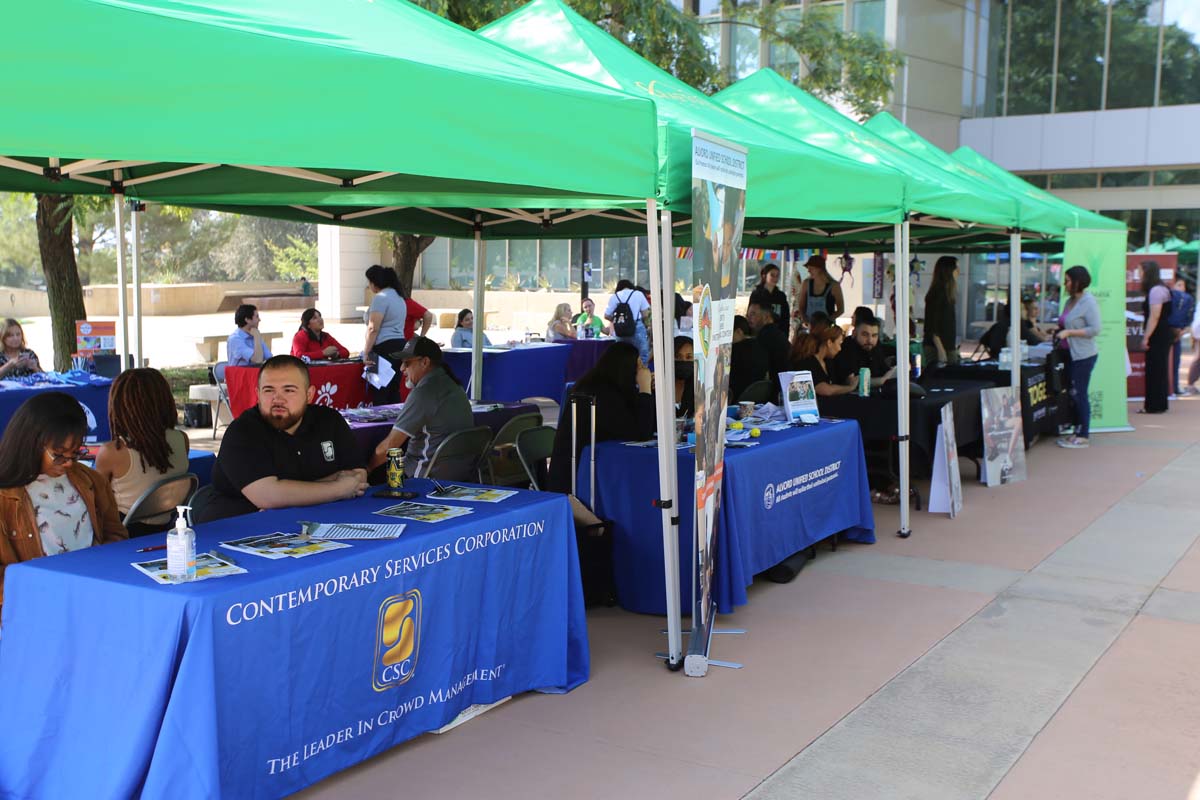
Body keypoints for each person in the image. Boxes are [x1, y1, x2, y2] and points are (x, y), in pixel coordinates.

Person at [194, 356, 367, 523]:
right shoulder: (242, 431)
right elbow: (267, 497)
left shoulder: (329, 420)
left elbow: (358, 475)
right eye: (269, 390)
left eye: (289, 390)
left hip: (317, 522)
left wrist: (287, 497)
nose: (278, 399)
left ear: (309, 394)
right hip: (238, 527)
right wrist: (338, 488)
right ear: (258, 394)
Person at [548, 342, 654, 605]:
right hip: (578, 479)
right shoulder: (600, 395)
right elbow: (639, 431)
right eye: (638, 365)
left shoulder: (599, 387)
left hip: (590, 471)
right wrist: (646, 389)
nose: (642, 369)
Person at [0, 392, 127, 611]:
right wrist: (36, 588)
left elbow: (115, 534)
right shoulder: (5, 497)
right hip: (35, 607)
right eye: (59, 455)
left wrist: (99, 567)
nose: (68, 464)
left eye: (76, 453)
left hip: (91, 596)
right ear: (30, 443)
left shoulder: (91, 481)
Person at [95, 369, 190, 531]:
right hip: (168, 524)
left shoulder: (112, 452)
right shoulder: (181, 439)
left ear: (119, 406)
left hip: (124, 532)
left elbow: (97, 501)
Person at [370, 337, 474, 480]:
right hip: (458, 472)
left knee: (372, 475)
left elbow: (390, 446)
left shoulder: (423, 392)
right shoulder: (452, 384)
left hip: (424, 475)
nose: (402, 369)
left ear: (425, 362)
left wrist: (366, 469)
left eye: (407, 363)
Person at [1055, 265, 1101, 448]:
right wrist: (1059, 330)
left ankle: (1083, 434)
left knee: (1079, 392)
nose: (1064, 284)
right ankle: (1076, 429)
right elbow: (1065, 323)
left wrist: (1070, 333)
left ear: (1077, 282)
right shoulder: (1070, 301)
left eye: (1067, 280)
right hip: (1068, 354)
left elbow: (1095, 329)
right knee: (1072, 393)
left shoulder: (1088, 302)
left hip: (1083, 355)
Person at [362, 265, 409, 403]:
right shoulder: (399, 298)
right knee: (394, 389)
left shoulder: (380, 298)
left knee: (379, 389)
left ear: (374, 282)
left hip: (382, 348)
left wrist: (366, 352)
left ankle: (380, 423)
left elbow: (373, 328)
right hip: (400, 345)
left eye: (369, 282)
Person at [791, 327, 859, 407]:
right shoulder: (807, 362)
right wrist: (850, 388)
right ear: (829, 342)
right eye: (839, 344)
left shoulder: (829, 362)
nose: (840, 349)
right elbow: (824, 390)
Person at [1140, 260, 1172, 414]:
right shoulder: (1159, 289)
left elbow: (1154, 316)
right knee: (1157, 368)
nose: (1139, 275)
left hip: (1158, 334)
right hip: (1161, 333)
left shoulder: (1156, 291)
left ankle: (1155, 405)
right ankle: (1157, 404)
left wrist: (1146, 337)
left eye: (1140, 271)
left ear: (1147, 273)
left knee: (1156, 368)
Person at [833, 313, 897, 390]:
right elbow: (852, 382)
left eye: (874, 335)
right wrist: (883, 380)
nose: (870, 340)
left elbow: (884, 369)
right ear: (854, 333)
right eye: (865, 335)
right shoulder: (846, 349)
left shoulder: (875, 348)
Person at [922, 256, 960, 370]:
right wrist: (941, 350)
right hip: (938, 348)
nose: (958, 271)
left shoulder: (947, 293)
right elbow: (932, 325)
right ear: (948, 270)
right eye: (956, 267)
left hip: (946, 346)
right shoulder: (938, 293)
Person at [605, 279, 651, 364]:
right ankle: (641, 374)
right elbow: (645, 314)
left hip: (621, 330)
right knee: (642, 356)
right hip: (637, 327)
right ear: (630, 286)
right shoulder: (638, 294)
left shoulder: (615, 296)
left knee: (622, 356)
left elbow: (606, 315)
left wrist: (617, 321)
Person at [795, 255, 844, 330]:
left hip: (827, 329)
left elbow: (841, 309)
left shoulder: (834, 286)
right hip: (809, 327)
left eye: (811, 268)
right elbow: (801, 306)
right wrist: (805, 320)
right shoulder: (806, 284)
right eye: (808, 268)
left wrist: (827, 322)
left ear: (820, 269)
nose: (808, 271)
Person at [747, 301, 789, 386]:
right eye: (748, 315)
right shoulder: (777, 333)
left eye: (753, 314)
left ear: (766, 317)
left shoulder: (766, 335)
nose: (749, 318)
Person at [729, 315, 768, 403]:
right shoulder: (760, 346)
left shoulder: (735, 350)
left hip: (737, 398)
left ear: (739, 331)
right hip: (759, 397)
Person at [1168, 278, 1195, 396]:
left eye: (1183, 285)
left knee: (1176, 361)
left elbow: (1189, 318)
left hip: (1177, 334)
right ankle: (1171, 387)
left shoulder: (1186, 299)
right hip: (1169, 334)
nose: (1181, 288)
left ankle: (1174, 387)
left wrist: (1182, 331)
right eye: (1178, 285)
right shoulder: (1173, 298)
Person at [749, 263, 790, 337]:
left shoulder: (781, 296)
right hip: (760, 333)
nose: (775, 278)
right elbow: (751, 315)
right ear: (764, 276)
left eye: (777, 276)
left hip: (777, 333)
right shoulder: (756, 294)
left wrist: (784, 336)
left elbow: (785, 318)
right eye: (772, 275)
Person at [674, 335, 695, 417]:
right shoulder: (659, 385)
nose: (683, 361)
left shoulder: (698, 387)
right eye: (678, 357)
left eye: (689, 357)